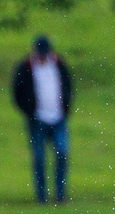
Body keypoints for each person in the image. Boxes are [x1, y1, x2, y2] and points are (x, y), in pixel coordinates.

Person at [9, 34, 74, 204]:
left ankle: (60, 194)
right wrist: (29, 110)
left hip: (58, 118)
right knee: (39, 158)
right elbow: (17, 92)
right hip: (37, 119)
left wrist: (66, 106)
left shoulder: (58, 65)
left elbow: (68, 86)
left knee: (62, 152)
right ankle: (41, 195)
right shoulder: (27, 67)